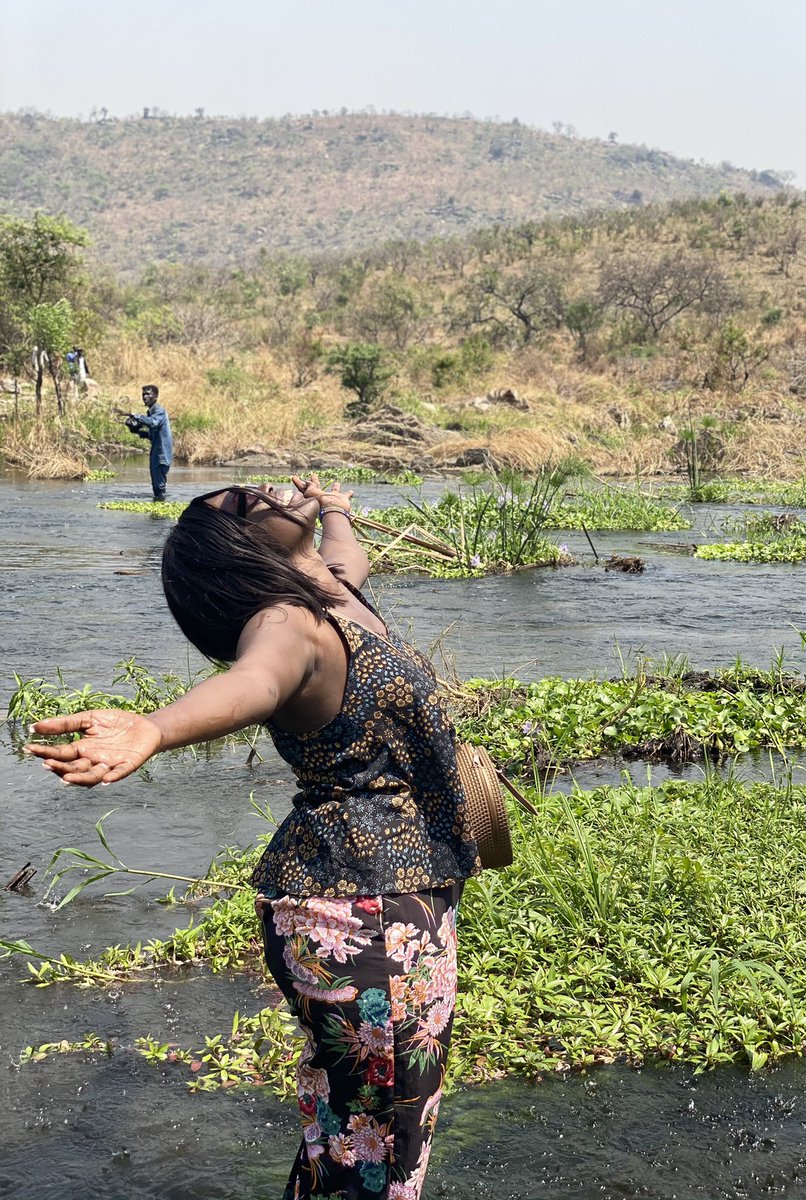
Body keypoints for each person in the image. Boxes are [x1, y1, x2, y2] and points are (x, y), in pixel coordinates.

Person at [26, 474, 481, 1200]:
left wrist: (333, 508)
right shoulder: (283, 623)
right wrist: (155, 727)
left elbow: (346, 557)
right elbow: (254, 683)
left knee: (359, 1132)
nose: (257, 490)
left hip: (380, 899)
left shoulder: (329, 593)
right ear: (235, 550)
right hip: (366, 909)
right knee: (380, 1147)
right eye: (239, 504)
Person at [123, 384, 173, 501]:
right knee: (156, 488)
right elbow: (151, 435)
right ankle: (159, 509)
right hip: (156, 455)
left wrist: (136, 416)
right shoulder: (151, 412)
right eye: (143, 394)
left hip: (162, 455)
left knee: (159, 488)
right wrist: (135, 430)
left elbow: (154, 422)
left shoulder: (159, 411)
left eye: (148, 394)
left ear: (155, 397)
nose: (145, 397)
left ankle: (160, 515)